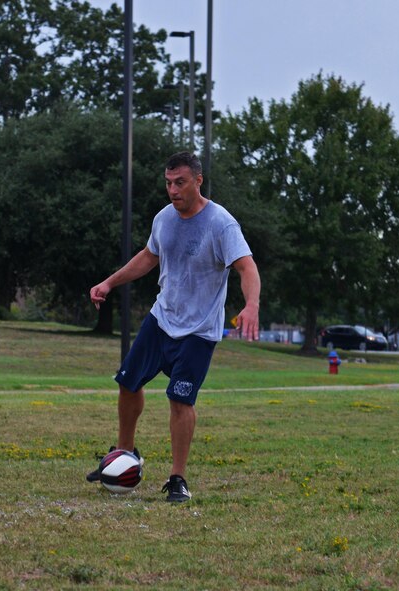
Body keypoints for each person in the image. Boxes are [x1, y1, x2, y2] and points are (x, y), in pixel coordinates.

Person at [86, 152, 260, 502]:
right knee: (128, 383)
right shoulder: (164, 218)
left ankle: (177, 478)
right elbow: (149, 257)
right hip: (162, 319)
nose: (172, 190)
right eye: (168, 183)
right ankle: (124, 454)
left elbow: (247, 267)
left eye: (179, 182)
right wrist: (109, 283)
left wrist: (252, 305)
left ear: (198, 181)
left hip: (198, 331)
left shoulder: (221, 223)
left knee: (180, 400)